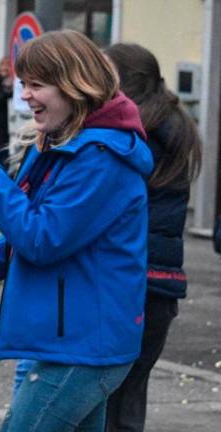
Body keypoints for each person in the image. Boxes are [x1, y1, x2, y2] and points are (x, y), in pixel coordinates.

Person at [0, 30, 153, 432]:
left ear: (75, 84)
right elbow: (31, 226)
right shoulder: (64, 145)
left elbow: (42, 239)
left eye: (37, 84)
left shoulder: (101, 157)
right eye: (23, 83)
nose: (25, 95)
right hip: (63, 340)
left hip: (82, 347)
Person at [102, 42, 202, 432]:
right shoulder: (172, 123)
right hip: (161, 281)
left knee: (106, 398)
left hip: (131, 277)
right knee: (128, 396)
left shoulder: (134, 132)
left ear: (128, 80)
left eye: (106, 73)